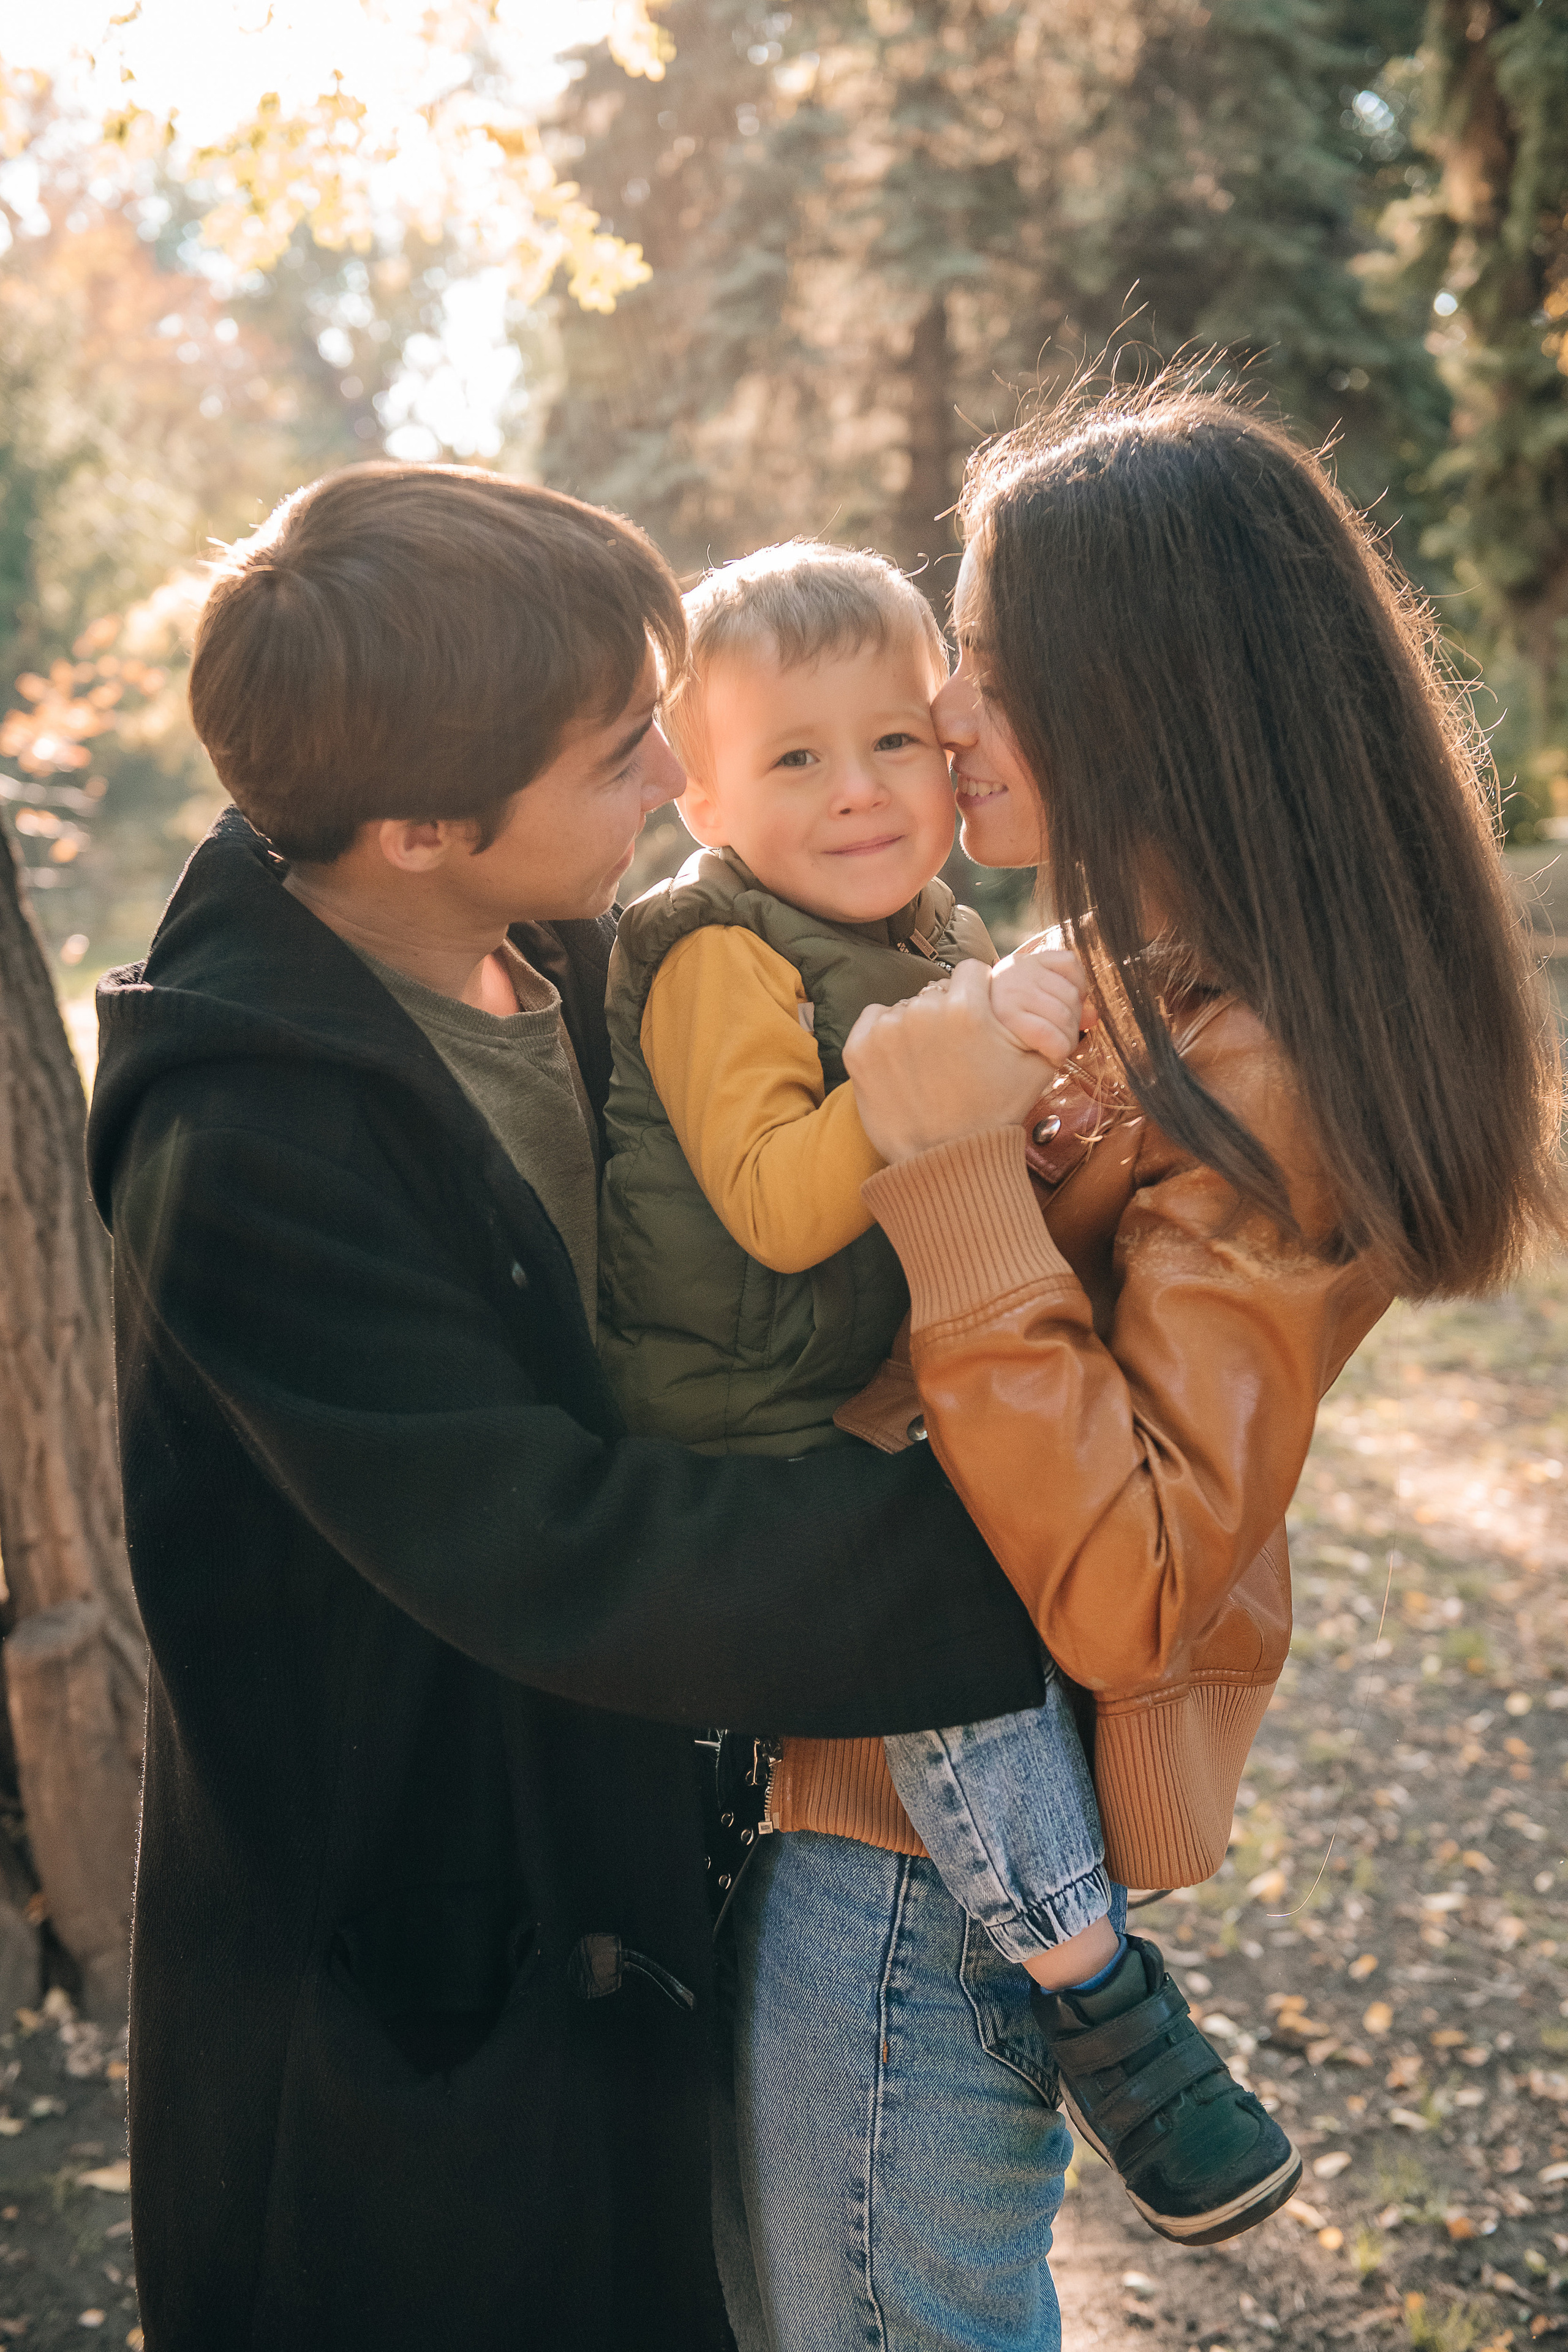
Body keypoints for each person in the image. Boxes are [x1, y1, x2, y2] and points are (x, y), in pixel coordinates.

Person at [83, 465, 1060, 2352]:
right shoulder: (246, 1143)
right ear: (422, 826)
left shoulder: (584, 961)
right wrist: (1014, 1545)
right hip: (406, 2003)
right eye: (623, 756)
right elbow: (546, 1542)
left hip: (617, 1886)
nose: (674, 780)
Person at [722, 388, 1568, 2351]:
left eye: (988, 664)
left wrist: (948, 1174)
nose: (945, 715)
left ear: (1151, 694)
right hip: (867, 1781)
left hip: (922, 1871)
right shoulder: (1114, 983)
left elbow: (1134, 1582)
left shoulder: (1262, 1063)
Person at [595, 538, 1297, 2310]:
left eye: (897, 734)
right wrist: (938, 1091)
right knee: (928, 1634)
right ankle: (1092, 1987)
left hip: (879, 1431)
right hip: (755, 1419)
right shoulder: (714, 948)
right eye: (796, 758)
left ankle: (1093, 1984)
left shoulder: (962, 943)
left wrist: (994, 1080)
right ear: (700, 793)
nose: (871, 785)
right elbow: (781, 1202)